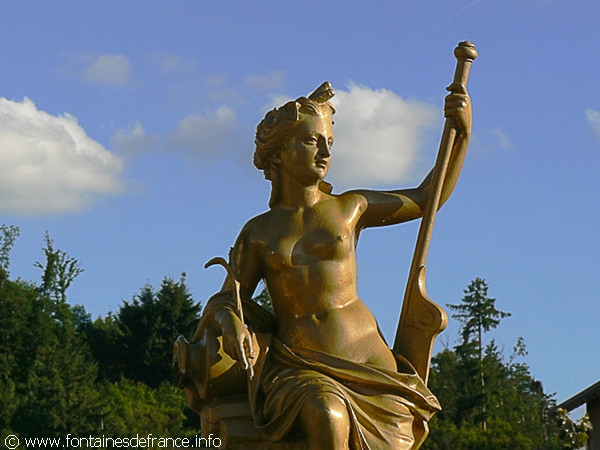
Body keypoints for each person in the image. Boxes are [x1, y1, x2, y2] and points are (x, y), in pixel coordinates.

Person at [194, 80, 471, 449]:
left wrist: (462, 133)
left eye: (329, 142)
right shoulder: (258, 233)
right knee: (327, 413)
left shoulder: (349, 208)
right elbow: (227, 300)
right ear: (280, 152)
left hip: (373, 365)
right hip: (304, 367)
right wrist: (231, 323)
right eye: (312, 141)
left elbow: (426, 197)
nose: (325, 152)